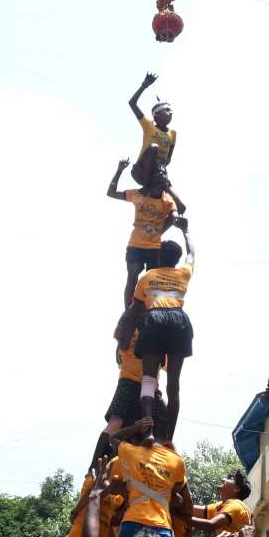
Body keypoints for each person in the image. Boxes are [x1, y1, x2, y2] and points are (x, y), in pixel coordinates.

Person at [117, 226, 195, 442]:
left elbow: (134, 312)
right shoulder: (184, 273)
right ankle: (168, 438)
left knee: (149, 380)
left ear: (159, 256)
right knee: (174, 385)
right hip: (179, 320)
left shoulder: (148, 276)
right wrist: (185, 231)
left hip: (155, 319)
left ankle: (148, 431)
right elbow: (192, 254)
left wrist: (124, 339)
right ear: (176, 259)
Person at [108, 158, 186, 310]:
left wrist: (168, 189)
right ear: (152, 176)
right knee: (132, 276)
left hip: (154, 247)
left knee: (151, 280)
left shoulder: (167, 200)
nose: (163, 174)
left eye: (165, 173)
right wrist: (119, 170)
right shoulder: (139, 195)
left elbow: (179, 211)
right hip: (136, 244)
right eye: (160, 172)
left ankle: (150, 310)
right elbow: (111, 193)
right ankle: (128, 312)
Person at [106, 417, 192, 537]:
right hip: (162, 525)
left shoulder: (132, 452)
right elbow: (179, 492)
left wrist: (135, 427)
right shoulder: (177, 460)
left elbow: (112, 438)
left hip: (133, 521)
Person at [92, 329, 169, 470]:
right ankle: (93, 466)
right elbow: (121, 342)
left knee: (164, 424)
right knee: (116, 422)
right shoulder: (132, 329)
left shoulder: (158, 329)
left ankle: (163, 465)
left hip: (151, 389)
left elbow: (168, 363)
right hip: (128, 382)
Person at [128, 73, 177, 186]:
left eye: (171, 111)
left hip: (157, 173)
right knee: (154, 148)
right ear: (156, 115)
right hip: (141, 171)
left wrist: (162, 167)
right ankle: (147, 185)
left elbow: (169, 158)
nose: (170, 113)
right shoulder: (148, 125)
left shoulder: (173, 134)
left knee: (168, 192)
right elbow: (132, 103)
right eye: (167, 110)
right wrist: (143, 86)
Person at [185, 470, 252, 537]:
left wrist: (178, 515)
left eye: (230, 478)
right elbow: (192, 510)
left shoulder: (237, 505)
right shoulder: (222, 505)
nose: (223, 479)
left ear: (237, 488)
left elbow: (211, 525)